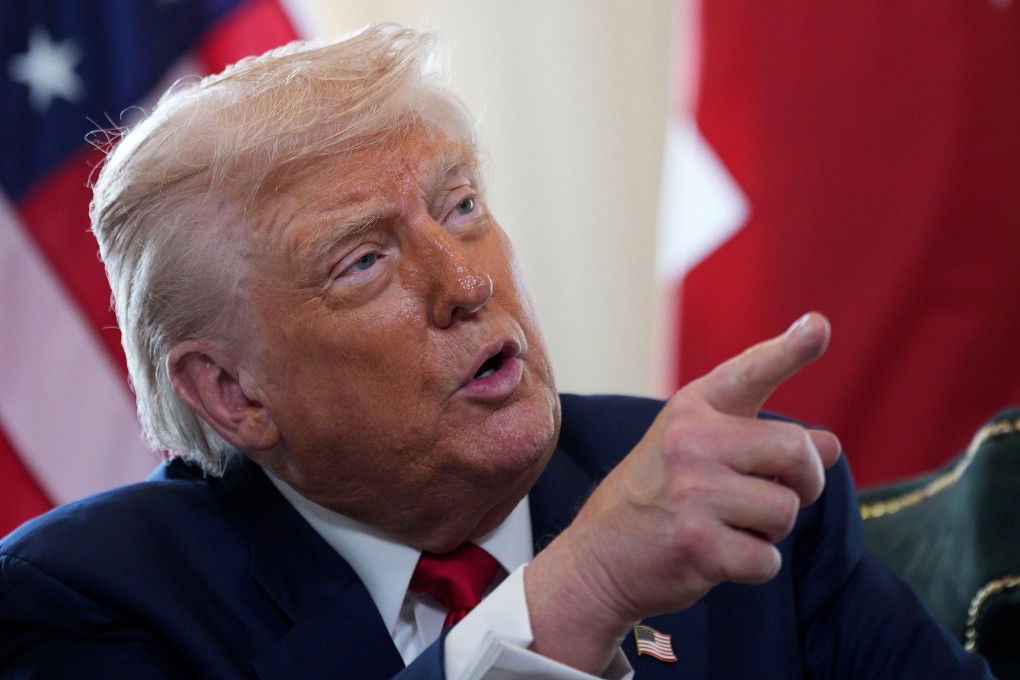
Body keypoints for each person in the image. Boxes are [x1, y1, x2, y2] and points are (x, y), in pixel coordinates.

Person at [0, 23, 993, 680]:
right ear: (230, 389)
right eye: (361, 262)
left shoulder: (738, 502)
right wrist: (579, 592)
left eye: (461, 207)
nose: (465, 280)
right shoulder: (88, 599)